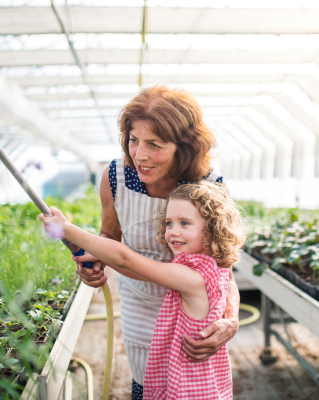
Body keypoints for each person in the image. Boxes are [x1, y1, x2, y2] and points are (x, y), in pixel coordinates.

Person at [70, 85, 241, 398]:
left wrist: (230, 318)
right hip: (140, 304)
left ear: (184, 147)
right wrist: (94, 267)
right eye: (134, 140)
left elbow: (223, 266)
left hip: (194, 313)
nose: (140, 155)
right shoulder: (116, 178)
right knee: (147, 383)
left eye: (155, 144)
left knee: (190, 386)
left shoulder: (208, 186)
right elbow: (109, 235)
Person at [39, 181, 245, 399]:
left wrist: (68, 229)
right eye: (169, 223)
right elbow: (130, 266)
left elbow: (125, 259)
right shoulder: (213, 267)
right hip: (204, 383)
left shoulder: (192, 279)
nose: (173, 232)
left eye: (185, 223)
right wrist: (99, 254)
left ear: (212, 229)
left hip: (188, 390)